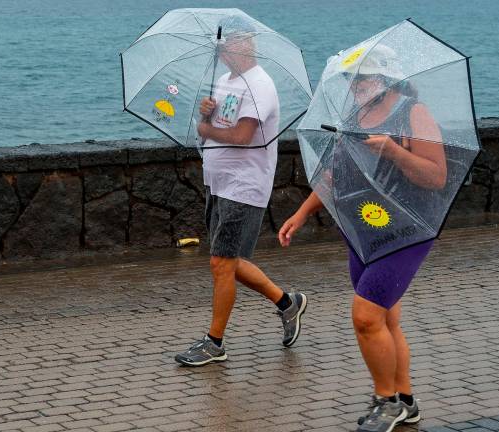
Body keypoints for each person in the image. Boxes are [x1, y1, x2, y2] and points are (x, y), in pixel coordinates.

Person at [279, 45, 447, 431]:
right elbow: (334, 176)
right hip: (362, 231)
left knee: (366, 317)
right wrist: (302, 214)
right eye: (351, 79)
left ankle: (386, 402)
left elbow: (435, 176)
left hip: (404, 231)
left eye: (365, 77)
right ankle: (405, 399)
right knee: (386, 321)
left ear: (386, 79)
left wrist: (391, 151)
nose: (357, 85)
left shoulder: (411, 112)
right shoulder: (353, 116)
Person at [174, 16, 308, 367]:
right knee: (228, 260)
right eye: (221, 46)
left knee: (221, 262)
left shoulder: (259, 86)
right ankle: (287, 304)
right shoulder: (224, 81)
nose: (222, 51)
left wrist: (206, 126)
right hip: (217, 181)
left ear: (246, 46)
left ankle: (215, 342)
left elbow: (242, 137)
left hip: (244, 186)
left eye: (229, 45)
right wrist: (209, 112)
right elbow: (218, 127)